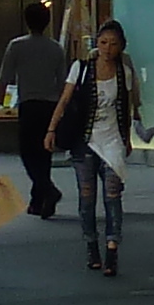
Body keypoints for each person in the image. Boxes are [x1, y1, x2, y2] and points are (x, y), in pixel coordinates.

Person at [53, 17, 145, 276]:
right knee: (87, 197)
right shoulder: (80, 68)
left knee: (112, 195)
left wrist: (127, 138)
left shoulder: (123, 73)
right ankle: (91, 245)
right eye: (103, 42)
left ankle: (112, 247)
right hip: (84, 141)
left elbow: (125, 107)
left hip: (112, 138)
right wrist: (52, 129)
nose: (107, 48)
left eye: (113, 44)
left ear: (121, 47)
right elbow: (64, 100)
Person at [0, 0, 71, 219]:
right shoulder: (56, 48)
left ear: (26, 21)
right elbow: (62, 80)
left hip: (28, 105)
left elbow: (5, 77)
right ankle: (38, 201)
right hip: (50, 106)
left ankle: (48, 190)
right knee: (43, 153)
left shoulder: (17, 45)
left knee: (28, 153)